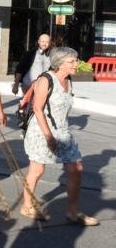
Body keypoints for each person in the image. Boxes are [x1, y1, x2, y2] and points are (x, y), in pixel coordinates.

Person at [21, 47, 98, 226]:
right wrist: (48, 136)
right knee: (37, 170)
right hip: (41, 130)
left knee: (76, 169)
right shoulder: (46, 79)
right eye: (72, 61)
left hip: (62, 131)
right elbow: (38, 109)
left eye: (76, 60)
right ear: (60, 63)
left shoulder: (68, 79)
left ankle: (73, 212)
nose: (76, 64)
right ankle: (26, 206)